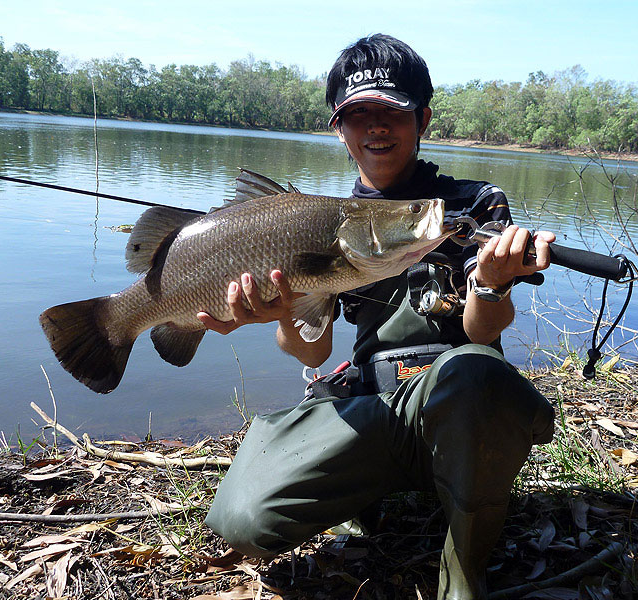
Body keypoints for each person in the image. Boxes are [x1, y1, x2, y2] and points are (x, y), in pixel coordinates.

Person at [199, 34, 556, 600]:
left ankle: (464, 574)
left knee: (475, 371)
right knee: (242, 520)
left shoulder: (470, 205)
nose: (376, 127)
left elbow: (483, 337)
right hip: (370, 406)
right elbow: (314, 353)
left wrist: (488, 285)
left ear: (423, 118)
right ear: (339, 129)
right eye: (358, 114)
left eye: (390, 111)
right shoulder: (317, 221)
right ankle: (370, 488)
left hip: (460, 407)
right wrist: (282, 315)